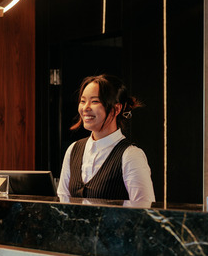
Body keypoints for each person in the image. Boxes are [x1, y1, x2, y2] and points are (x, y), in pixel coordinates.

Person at [57, 74, 155, 203]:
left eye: (95, 101)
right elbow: (62, 203)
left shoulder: (131, 155)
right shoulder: (73, 149)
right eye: (82, 101)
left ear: (117, 108)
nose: (85, 108)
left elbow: (144, 213)